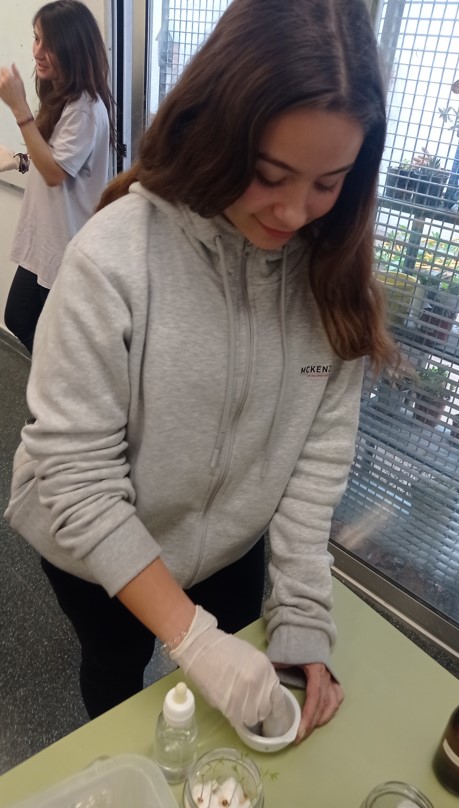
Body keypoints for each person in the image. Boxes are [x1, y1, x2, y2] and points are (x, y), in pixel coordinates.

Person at [6, 0, 398, 742]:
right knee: (116, 674)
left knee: (241, 697)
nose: (294, 213)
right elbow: (76, 474)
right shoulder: (116, 256)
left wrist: (302, 617)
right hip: (93, 537)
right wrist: (191, 638)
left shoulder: (332, 274)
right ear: (218, 131)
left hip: (228, 541)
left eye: (327, 183)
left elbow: (313, 463)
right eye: (270, 174)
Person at [0, 0, 115, 354]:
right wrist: (18, 160)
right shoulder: (60, 96)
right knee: (20, 317)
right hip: (45, 242)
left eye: (48, 44)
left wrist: (18, 108)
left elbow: (55, 174)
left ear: (72, 49)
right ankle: (55, 383)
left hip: (67, 247)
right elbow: (52, 156)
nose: (37, 51)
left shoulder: (86, 108)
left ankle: (60, 384)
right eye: (36, 38)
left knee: (59, 341)